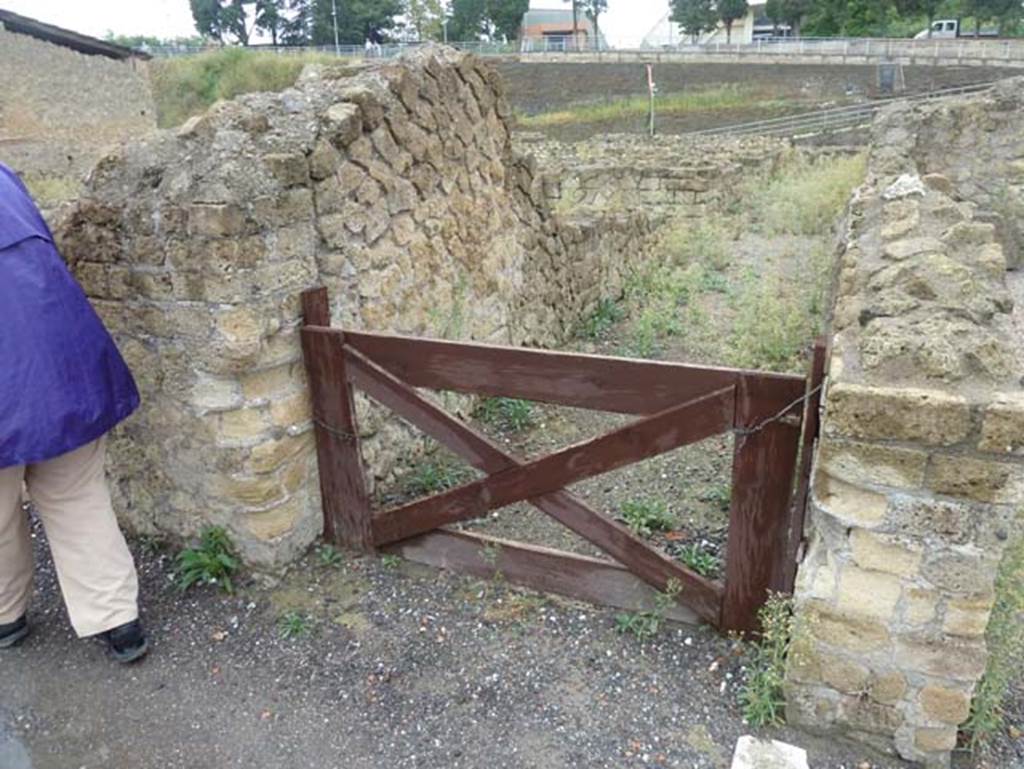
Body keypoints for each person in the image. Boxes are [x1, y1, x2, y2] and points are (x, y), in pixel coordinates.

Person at [0, 163, 147, 663]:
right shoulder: (3, 179)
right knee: (76, 493)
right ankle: (118, 622)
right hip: (63, 362)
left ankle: (6, 615)